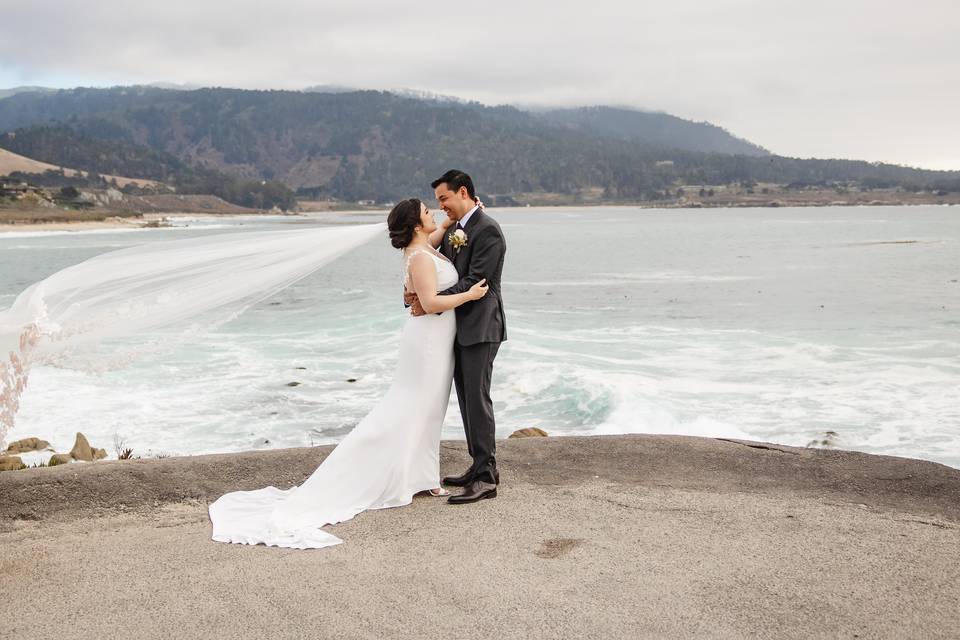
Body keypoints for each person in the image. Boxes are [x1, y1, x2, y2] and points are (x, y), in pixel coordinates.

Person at [207, 198, 489, 549]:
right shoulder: (419, 257)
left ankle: (423, 476)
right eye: (426, 213)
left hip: (436, 341)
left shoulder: (423, 248)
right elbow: (430, 303)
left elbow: (434, 246)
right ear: (416, 225)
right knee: (412, 407)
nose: (433, 214)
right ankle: (397, 476)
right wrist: (470, 295)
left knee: (430, 410)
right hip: (428, 342)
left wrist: (457, 216)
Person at [407, 169, 507, 504]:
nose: (441, 208)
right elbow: (431, 267)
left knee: (478, 399)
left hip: (480, 328)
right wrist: (418, 294)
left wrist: (428, 301)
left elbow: (476, 282)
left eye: (444, 199)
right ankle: (477, 465)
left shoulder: (488, 230)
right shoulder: (456, 231)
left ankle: (487, 477)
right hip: (458, 330)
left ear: (462, 192)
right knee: (466, 400)